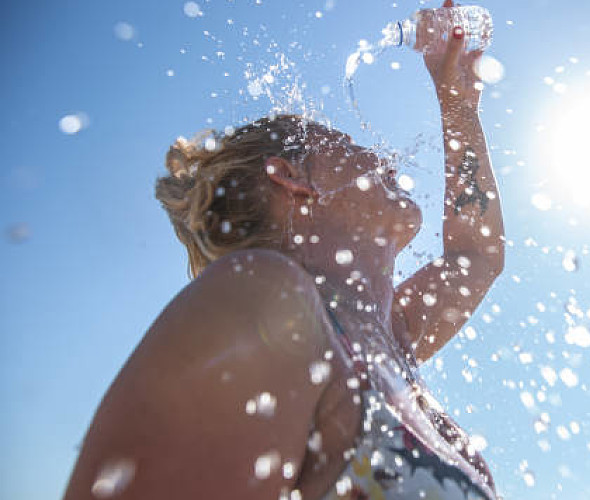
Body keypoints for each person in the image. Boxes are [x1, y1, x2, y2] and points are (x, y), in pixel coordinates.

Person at [62, 3, 504, 499]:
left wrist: (459, 103)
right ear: (292, 179)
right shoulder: (269, 307)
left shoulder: (389, 339)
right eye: (344, 142)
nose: (381, 157)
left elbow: (476, 256)